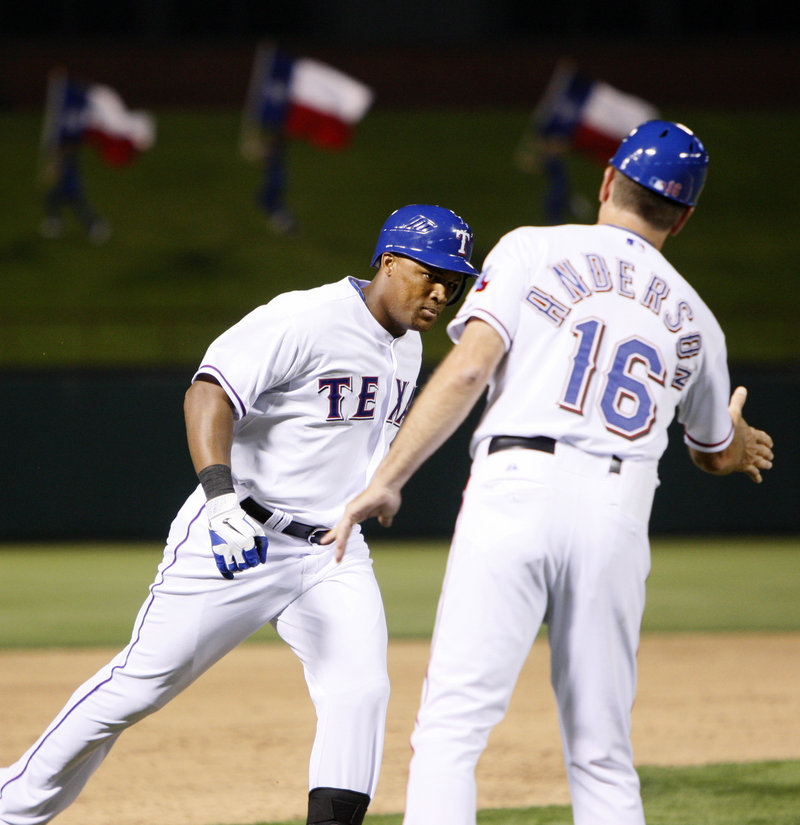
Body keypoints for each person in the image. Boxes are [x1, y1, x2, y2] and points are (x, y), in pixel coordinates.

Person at [326, 121, 774, 825]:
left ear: (606, 181)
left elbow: (471, 367)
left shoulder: (534, 246)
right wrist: (740, 440)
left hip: (517, 484)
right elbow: (715, 450)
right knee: (601, 751)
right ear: (683, 217)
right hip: (619, 507)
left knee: (451, 729)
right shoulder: (698, 318)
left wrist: (389, 474)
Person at [0, 203, 477, 825]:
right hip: (241, 532)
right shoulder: (303, 317)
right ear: (387, 262)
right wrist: (221, 501)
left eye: (455, 280)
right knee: (139, 686)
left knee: (359, 693)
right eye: (430, 272)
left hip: (332, 549)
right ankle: (12, 807)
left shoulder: (408, 346)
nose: (443, 290)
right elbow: (208, 392)